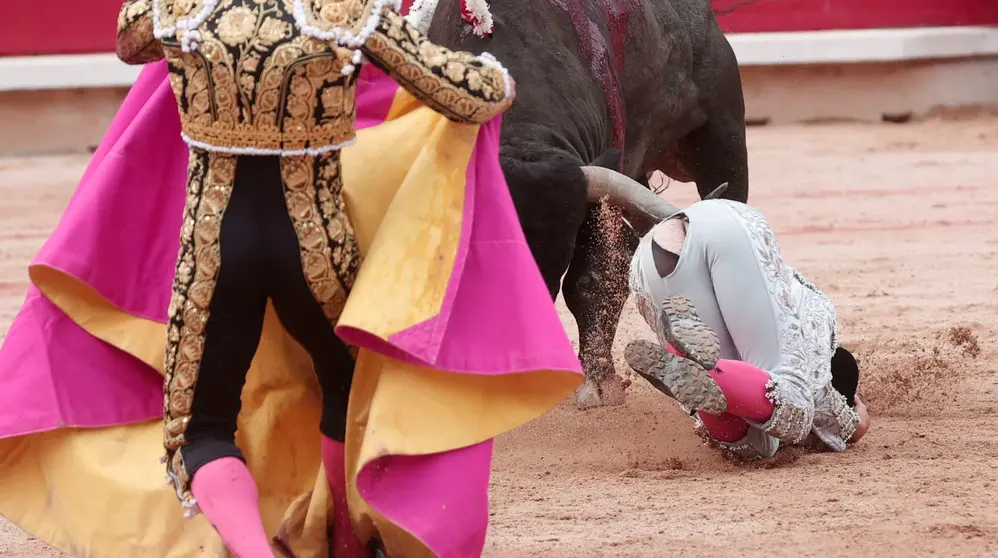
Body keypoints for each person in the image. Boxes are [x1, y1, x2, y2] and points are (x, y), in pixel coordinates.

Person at [0, 2, 582, 557]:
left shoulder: (182, 9)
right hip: (316, 250)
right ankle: (345, 546)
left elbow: (129, 41)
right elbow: (474, 95)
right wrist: (495, 77)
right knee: (343, 390)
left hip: (213, 255)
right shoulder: (343, 14)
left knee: (200, 430)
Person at [589, 174, 871, 460]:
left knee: (749, 445)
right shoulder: (816, 369)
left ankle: (690, 362)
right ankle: (691, 361)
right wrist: (859, 418)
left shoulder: (792, 341)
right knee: (794, 409)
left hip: (652, 256)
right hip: (723, 230)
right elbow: (846, 426)